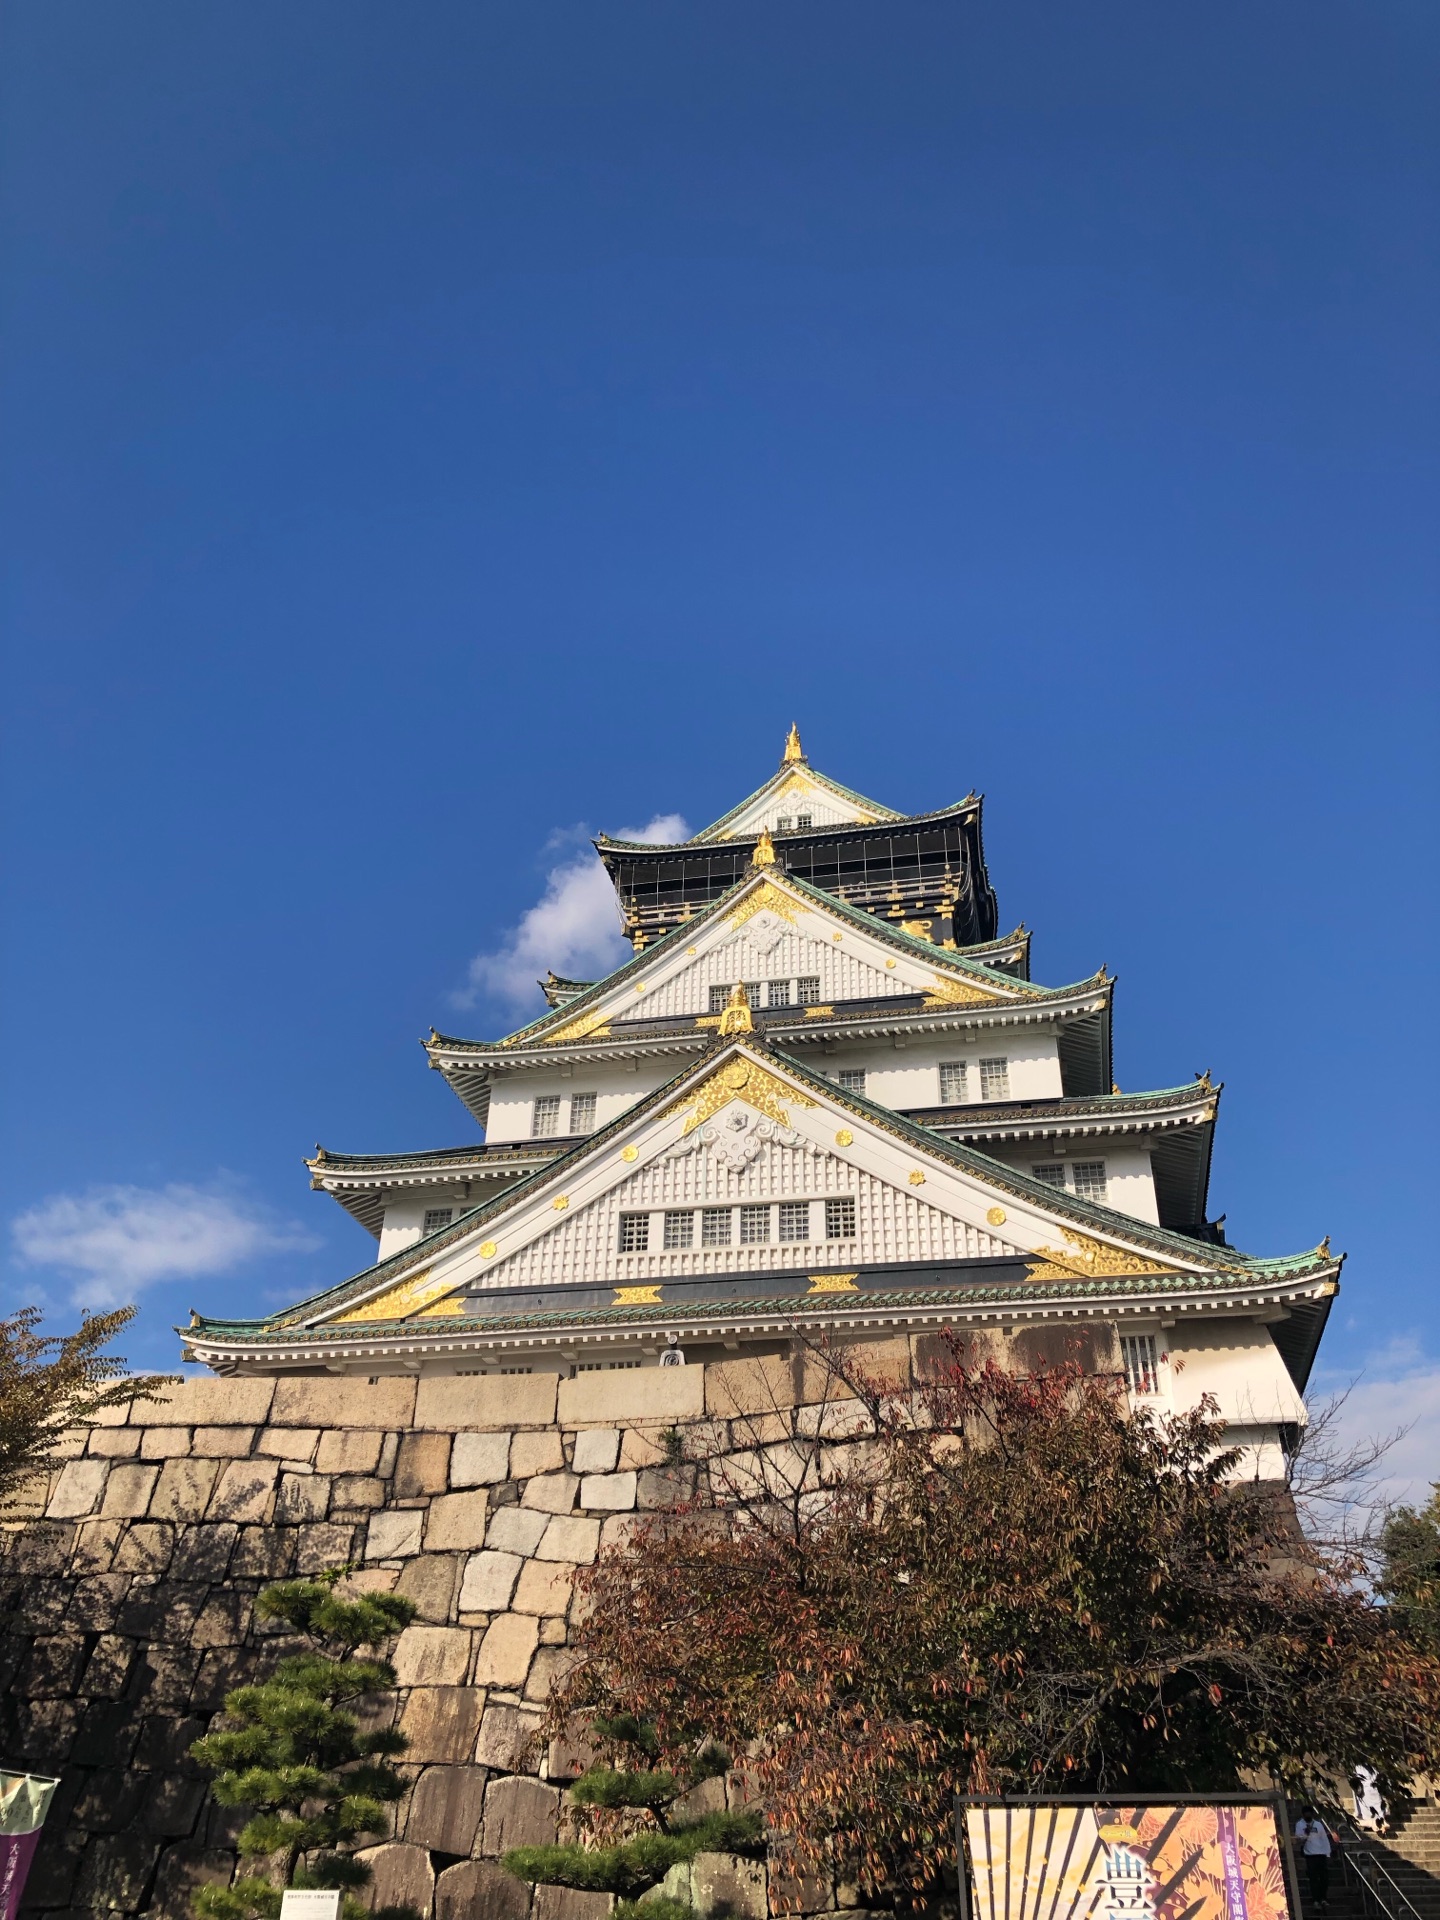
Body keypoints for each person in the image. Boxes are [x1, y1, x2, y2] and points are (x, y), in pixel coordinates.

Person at [1295, 1810, 1334, 1911]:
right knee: (1313, 1879)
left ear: (1312, 1814)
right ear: (1303, 1814)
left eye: (1309, 1814)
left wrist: (1327, 1853)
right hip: (1310, 1855)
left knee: (1324, 1878)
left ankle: (1323, 1898)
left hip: (1321, 1854)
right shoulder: (1300, 1824)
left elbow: (1324, 1838)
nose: (1308, 1816)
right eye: (1306, 1814)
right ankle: (1316, 1899)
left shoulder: (1318, 1824)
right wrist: (1306, 1833)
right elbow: (1299, 1838)